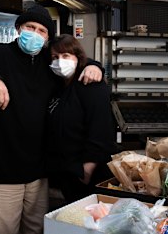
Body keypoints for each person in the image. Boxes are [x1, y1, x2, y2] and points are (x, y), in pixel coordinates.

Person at [0, 4, 103, 234]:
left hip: (39, 175)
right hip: (3, 173)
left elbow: (74, 60)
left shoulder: (49, 62)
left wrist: (94, 66)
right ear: (19, 28)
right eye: (30, 27)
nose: (35, 33)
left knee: (36, 230)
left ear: (47, 37)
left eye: (42, 30)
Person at [47, 34, 117, 204]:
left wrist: (87, 169)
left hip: (87, 174)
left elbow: (101, 128)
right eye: (55, 57)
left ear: (77, 57)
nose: (60, 61)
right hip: (66, 172)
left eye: (65, 56)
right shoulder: (57, 86)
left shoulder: (91, 83)